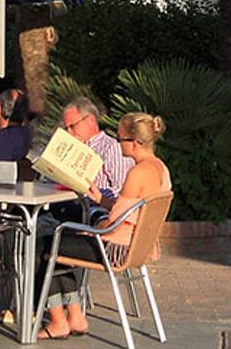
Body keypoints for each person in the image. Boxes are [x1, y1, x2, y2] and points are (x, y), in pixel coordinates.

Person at [37, 112, 170, 340]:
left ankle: (60, 320)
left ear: (135, 143)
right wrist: (101, 199)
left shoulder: (137, 173)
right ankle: (75, 316)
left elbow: (112, 225)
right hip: (139, 246)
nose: (118, 144)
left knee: (45, 242)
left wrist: (90, 229)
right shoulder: (160, 168)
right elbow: (129, 210)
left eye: (121, 139)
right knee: (66, 240)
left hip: (116, 248)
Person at [60, 97, 133, 207]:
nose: (70, 133)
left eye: (73, 126)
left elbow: (121, 191)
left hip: (96, 208)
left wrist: (93, 193)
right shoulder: (71, 146)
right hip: (69, 203)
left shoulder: (111, 148)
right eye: (67, 128)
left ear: (91, 120)